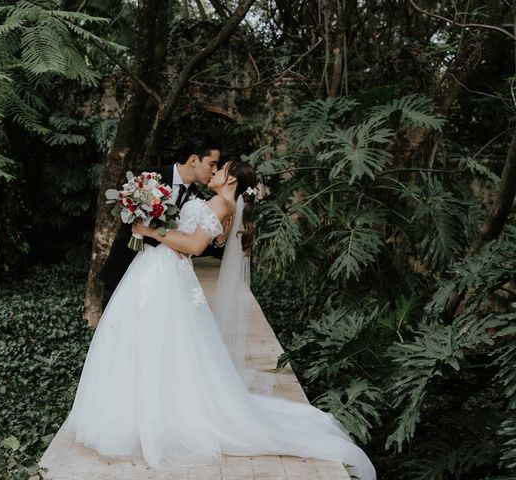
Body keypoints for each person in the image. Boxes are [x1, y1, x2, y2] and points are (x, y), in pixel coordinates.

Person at [66, 160, 377, 480]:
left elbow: (195, 246)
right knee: (153, 342)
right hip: (159, 271)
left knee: (159, 342)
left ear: (231, 180)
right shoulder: (215, 202)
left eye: (221, 168)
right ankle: (140, 415)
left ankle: (155, 418)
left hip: (169, 274)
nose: (213, 172)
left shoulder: (220, 203)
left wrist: (149, 229)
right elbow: (205, 238)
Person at [98, 134, 230, 310]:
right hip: (124, 268)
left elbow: (195, 245)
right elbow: (128, 216)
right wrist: (168, 238)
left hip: (160, 282)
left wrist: (219, 241)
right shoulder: (148, 177)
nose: (214, 171)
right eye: (212, 164)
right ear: (193, 160)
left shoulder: (197, 200)